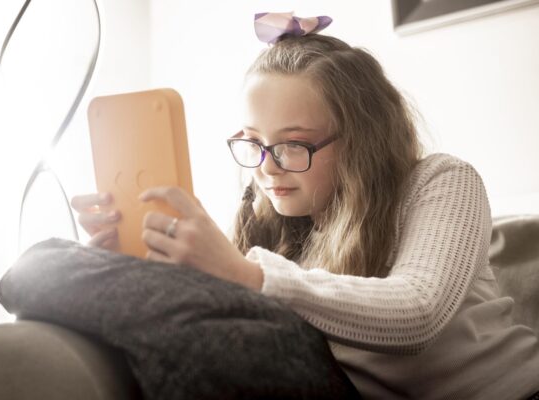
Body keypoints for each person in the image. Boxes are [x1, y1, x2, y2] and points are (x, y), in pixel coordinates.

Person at [71, 12, 539, 400]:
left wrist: (246, 275)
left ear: (361, 143)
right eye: (253, 143)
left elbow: (417, 316)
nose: (268, 169)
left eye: (294, 145)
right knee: (56, 264)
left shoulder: (442, 182)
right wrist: (136, 255)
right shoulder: (266, 220)